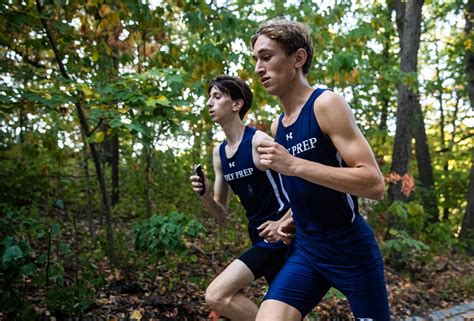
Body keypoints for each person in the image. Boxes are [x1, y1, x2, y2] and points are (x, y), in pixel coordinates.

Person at [251, 18, 391, 321]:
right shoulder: (279, 124)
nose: (258, 68)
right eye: (255, 60)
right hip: (308, 250)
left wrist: (294, 164)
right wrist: (287, 220)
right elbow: (308, 187)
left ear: (298, 58)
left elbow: (373, 183)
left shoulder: (326, 103)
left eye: (266, 56)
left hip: (350, 249)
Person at [190, 75, 292, 321]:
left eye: (217, 97)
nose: (209, 103)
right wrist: (203, 195)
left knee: (216, 295)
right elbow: (221, 213)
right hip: (258, 235)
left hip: (283, 235)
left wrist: (283, 223)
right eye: (209, 98)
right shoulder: (219, 153)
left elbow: (302, 183)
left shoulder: (260, 141)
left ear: (236, 104)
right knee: (289, 312)